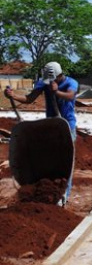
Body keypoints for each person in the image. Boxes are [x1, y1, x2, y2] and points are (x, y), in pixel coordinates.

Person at [4, 61, 79, 205]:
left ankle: (64, 194)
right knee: (50, 158)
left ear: (58, 75)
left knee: (66, 160)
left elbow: (70, 96)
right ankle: (48, 189)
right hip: (50, 126)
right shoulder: (44, 83)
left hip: (67, 126)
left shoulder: (71, 82)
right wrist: (13, 95)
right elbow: (29, 98)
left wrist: (56, 91)